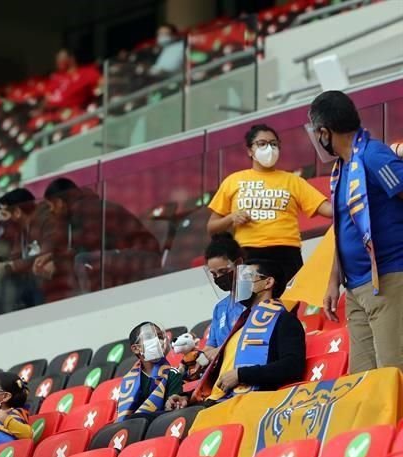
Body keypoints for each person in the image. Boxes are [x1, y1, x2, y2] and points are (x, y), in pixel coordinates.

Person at [311, 90, 403, 374]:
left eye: (317, 132)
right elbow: (344, 229)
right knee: (364, 381)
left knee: (393, 376)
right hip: (355, 289)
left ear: (325, 132)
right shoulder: (342, 169)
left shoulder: (374, 156)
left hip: (387, 280)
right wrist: (332, 280)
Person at [169, 259, 307, 408]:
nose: (240, 283)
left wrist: (241, 375)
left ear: (268, 283)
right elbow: (221, 379)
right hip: (216, 402)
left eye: (247, 277)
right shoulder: (242, 326)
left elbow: (293, 366)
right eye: (240, 278)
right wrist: (187, 398)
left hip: (248, 404)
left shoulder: (285, 320)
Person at [207, 124, 332, 286]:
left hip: (287, 253)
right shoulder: (233, 181)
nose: (269, 148)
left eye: (274, 144)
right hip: (247, 254)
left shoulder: (292, 180)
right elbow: (212, 227)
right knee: (252, 306)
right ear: (250, 150)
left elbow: (328, 209)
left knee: (288, 307)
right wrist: (231, 218)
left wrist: (352, 200)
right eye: (262, 143)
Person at [115, 323, 184, 421]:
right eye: (150, 337)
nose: (158, 341)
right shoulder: (129, 381)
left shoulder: (172, 374)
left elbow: (172, 411)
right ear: (136, 349)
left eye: (160, 337)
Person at [204, 233, 247, 355]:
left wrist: (220, 351)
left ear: (238, 263)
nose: (219, 278)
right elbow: (210, 346)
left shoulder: (255, 300)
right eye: (214, 274)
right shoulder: (219, 307)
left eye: (223, 271)